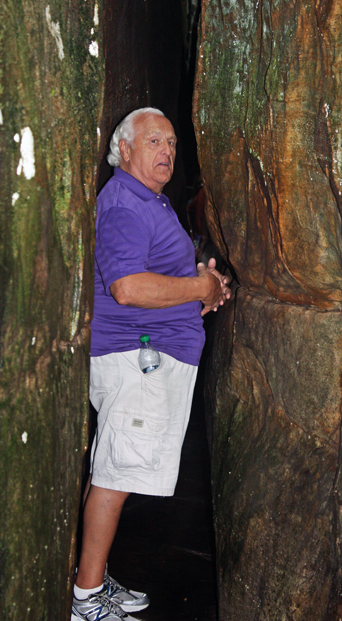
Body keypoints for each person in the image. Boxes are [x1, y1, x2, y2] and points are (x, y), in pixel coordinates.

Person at [71, 107, 230, 621]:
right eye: (154, 141)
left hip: (152, 360)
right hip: (135, 361)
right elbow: (128, 287)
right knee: (114, 478)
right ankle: (85, 598)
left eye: (172, 143)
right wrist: (197, 288)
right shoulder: (122, 203)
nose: (166, 152)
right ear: (124, 150)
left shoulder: (150, 201)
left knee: (120, 471)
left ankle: (95, 581)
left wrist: (206, 291)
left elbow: (162, 277)